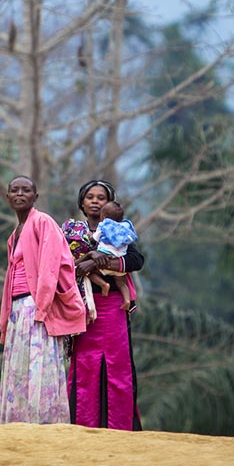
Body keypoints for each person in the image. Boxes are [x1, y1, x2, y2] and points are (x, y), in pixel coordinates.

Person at [0, 175, 87, 424]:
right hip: (18, 308)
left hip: (36, 306)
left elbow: (50, 267)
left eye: (26, 190)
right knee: (19, 366)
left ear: (35, 196)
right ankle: (18, 421)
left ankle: (43, 421)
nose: (19, 194)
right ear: (7, 197)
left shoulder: (43, 222)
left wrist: (43, 307)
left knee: (39, 366)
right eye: (14, 190)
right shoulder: (14, 233)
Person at [63, 180, 145, 430]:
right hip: (82, 307)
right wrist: (85, 262)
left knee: (117, 363)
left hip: (113, 307)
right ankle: (81, 422)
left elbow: (136, 260)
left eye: (101, 197)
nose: (95, 201)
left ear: (110, 203)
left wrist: (99, 262)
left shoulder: (119, 231)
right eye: (90, 197)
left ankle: (119, 425)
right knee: (85, 364)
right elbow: (61, 262)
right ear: (82, 202)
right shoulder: (69, 230)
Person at [92, 200, 138, 310]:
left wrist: (91, 237)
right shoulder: (125, 228)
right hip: (119, 264)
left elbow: (95, 238)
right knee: (122, 284)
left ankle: (103, 284)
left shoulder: (103, 226)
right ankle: (127, 300)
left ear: (103, 217)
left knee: (90, 272)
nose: (95, 201)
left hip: (104, 259)